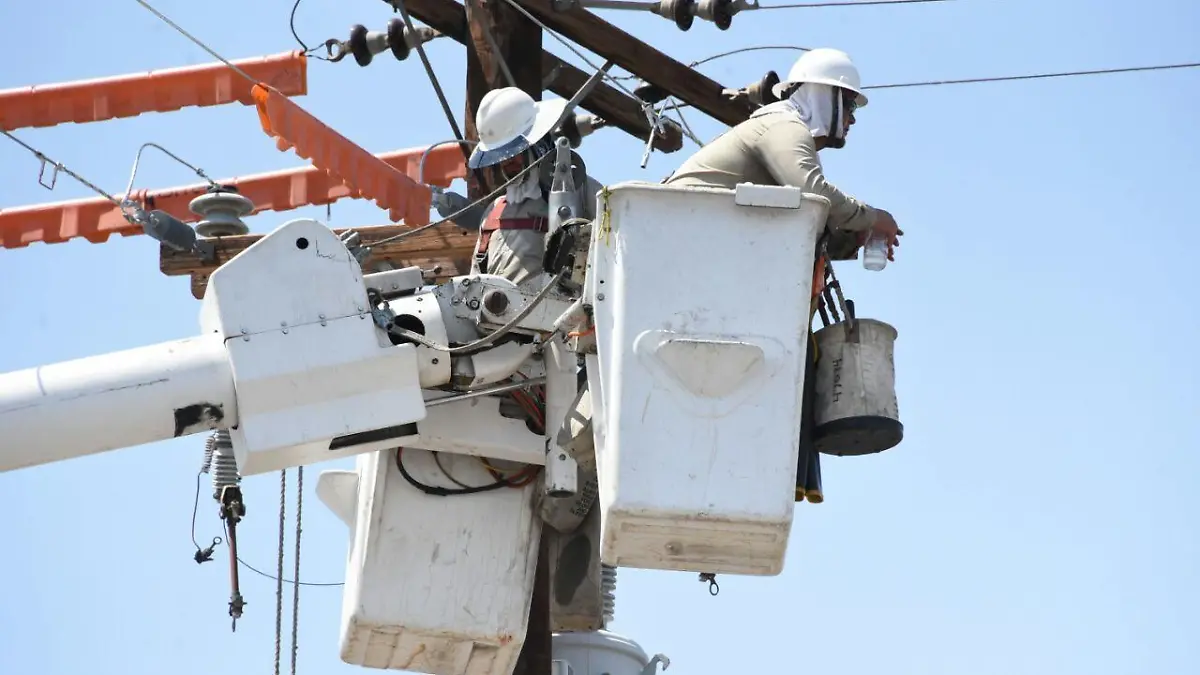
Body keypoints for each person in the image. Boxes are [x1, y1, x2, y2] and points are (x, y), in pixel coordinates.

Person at [664, 47, 901, 261]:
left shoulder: (790, 139)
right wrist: (873, 217)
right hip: (675, 229)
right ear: (823, 97)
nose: (853, 118)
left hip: (694, 238)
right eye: (849, 105)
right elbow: (814, 193)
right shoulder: (783, 125)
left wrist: (854, 236)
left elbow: (804, 225)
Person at [467, 86, 603, 285]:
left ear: (537, 146)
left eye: (514, 151)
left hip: (558, 312)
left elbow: (618, 240)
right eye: (501, 154)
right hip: (500, 314)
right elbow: (474, 284)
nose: (507, 161)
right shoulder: (494, 211)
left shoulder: (578, 189)